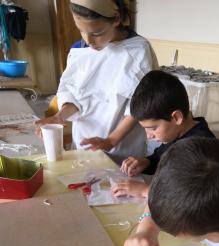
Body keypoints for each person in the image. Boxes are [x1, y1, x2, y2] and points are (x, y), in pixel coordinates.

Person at [35, 0, 157, 158]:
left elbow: (140, 105)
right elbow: (72, 95)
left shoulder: (137, 51)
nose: (88, 41)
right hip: (84, 143)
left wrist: (111, 141)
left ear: (116, 19)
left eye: (97, 33)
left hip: (123, 149)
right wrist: (59, 117)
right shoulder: (79, 51)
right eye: (81, 31)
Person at [111, 69, 216, 198]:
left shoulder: (202, 149)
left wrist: (145, 190)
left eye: (153, 128)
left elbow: (192, 197)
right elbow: (161, 158)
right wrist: (147, 162)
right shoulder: (176, 133)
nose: (149, 136)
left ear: (176, 117)